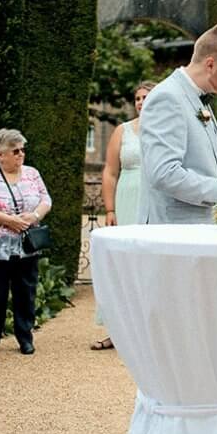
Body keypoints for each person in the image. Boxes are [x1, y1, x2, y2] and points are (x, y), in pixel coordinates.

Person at [137, 19, 217, 224]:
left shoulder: (199, 98)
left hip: (197, 235)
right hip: (172, 238)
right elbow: (164, 173)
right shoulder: (168, 97)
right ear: (210, 64)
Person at [0, 127, 52, 358]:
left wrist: (34, 216)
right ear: (0, 154)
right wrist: (10, 221)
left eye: (22, 150)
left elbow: (46, 199)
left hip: (26, 247)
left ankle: (25, 337)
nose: (20, 154)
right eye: (15, 151)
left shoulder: (32, 173)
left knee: (25, 293)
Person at [93, 76, 151, 350]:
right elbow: (110, 171)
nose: (140, 102)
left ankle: (149, 333)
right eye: (137, 98)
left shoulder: (168, 130)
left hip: (154, 201)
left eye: (146, 97)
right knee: (122, 267)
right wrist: (111, 208)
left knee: (150, 267)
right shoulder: (123, 130)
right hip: (127, 197)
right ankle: (117, 331)